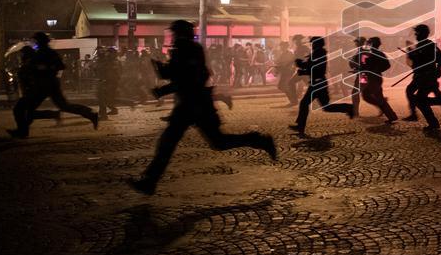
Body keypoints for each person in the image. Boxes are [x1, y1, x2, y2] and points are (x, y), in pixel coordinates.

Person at [129, 20, 275, 195]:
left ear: (181, 34)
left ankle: (259, 140)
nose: (172, 37)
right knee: (173, 143)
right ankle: (150, 181)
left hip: (194, 105)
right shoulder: (189, 49)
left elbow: (181, 77)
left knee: (214, 142)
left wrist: (158, 71)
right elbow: (183, 77)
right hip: (191, 105)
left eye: (174, 33)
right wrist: (163, 84)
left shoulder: (185, 49)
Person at [10, 32, 98, 137]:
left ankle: (22, 131)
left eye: (36, 40)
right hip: (45, 85)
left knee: (22, 108)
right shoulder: (40, 53)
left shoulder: (47, 53)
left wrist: (44, 68)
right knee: (62, 106)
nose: (34, 43)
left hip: (45, 85)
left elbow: (61, 66)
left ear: (40, 41)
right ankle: (90, 114)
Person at [289, 36, 354, 136]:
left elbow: (314, 67)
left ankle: (300, 126)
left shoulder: (318, 53)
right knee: (325, 106)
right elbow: (311, 66)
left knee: (305, 103)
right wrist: (302, 68)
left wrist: (301, 66)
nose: (311, 45)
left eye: (312, 43)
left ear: (316, 44)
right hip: (318, 82)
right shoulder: (317, 53)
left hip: (318, 83)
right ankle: (348, 108)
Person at [402, 24, 441, 131]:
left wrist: (436, 69)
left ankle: (434, 120)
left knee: (421, 100)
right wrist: (411, 52)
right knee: (411, 91)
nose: (416, 35)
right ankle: (416, 115)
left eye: (417, 33)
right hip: (420, 76)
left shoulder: (429, 45)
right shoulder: (421, 45)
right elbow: (418, 59)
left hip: (426, 78)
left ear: (422, 34)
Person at [359, 37, 398, 123]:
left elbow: (362, 65)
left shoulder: (366, 53)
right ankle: (387, 111)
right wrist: (378, 70)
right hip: (373, 76)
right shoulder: (379, 53)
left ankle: (391, 116)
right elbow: (387, 65)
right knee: (366, 96)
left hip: (370, 77)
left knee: (374, 97)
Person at [95, 46, 121, 120]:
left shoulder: (112, 61)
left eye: (109, 52)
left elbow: (113, 73)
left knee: (103, 98)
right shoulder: (107, 60)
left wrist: (106, 80)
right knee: (105, 98)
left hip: (108, 82)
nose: (107, 53)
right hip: (106, 81)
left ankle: (104, 115)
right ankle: (106, 112)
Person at [273, 41, 298, 106]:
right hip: (283, 72)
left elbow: (291, 63)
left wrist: (292, 70)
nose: (280, 47)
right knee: (281, 86)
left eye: (281, 46)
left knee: (283, 86)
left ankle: (293, 100)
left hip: (288, 72)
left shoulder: (289, 54)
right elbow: (278, 62)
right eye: (280, 46)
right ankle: (293, 100)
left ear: (285, 46)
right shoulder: (282, 54)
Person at [348, 36, 366, 117]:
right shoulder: (360, 51)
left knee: (355, 93)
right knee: (369, 94)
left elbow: (363, 65)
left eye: (356, 42)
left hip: (363, 76)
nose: (355, 43)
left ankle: (355, 112)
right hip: (363, 75)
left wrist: (356, 68)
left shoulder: (362, 51)